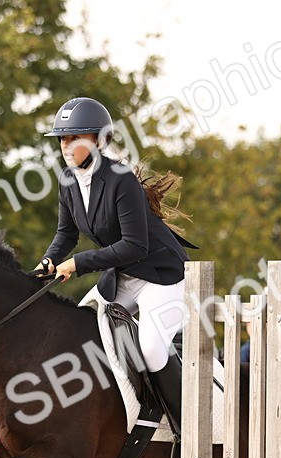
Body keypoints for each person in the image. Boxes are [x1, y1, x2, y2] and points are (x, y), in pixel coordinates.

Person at [40, 96, 197, 433]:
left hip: (161, 275)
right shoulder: (68, 180)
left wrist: (78, 264)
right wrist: (50, 259)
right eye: (63, 139)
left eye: (74, 138)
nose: (66, 147)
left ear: (98, 140)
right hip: (124, 274)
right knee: (76, 334)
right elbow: (65, 233)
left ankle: (188, 433)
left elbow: (134, 245)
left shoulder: (120, 178)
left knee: (152, 348)